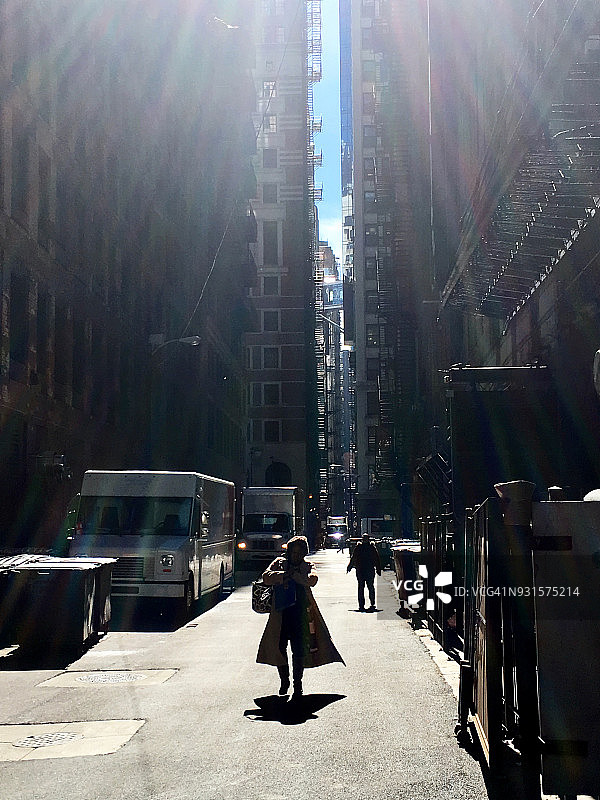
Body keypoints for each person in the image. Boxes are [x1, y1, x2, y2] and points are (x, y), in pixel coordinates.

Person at [256, 535, 344, 700]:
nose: (296, 555)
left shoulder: (307, 565)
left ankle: (298, 685)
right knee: (279, 648)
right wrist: (283, 575)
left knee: (299, 651)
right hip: (281, 615)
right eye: (293, 552)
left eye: (299, 552)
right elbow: (266, 577)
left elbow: (313, 580)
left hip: (300, 615)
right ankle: (284, 680)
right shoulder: (279, 563)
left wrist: (296, 577)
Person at [347, 533, 382, 611]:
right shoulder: (372, 547)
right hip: (369, 570)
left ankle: (362, 605)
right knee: (370, 587)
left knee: (361, 587)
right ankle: (372, 603)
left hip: (361, 570)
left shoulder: (359, 547)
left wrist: (349, 567)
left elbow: (353, 557)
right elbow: (377, 559)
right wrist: (378, 569)